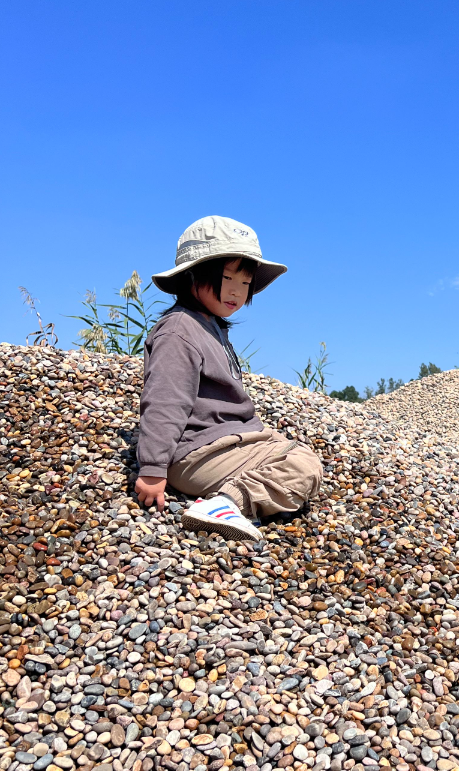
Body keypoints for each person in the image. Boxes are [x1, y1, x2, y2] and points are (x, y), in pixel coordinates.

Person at [134, 215, 323, 542]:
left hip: (223, 440)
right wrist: (152, 469)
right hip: (197, 452)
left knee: (296, 451)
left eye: (246, 282)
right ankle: (225, 504)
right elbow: (166, 401)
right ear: (191, 276)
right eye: (227, 277)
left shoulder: (210, 327)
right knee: (304, 467)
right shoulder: (179, 331)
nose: (237, 291)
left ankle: (241, 486)